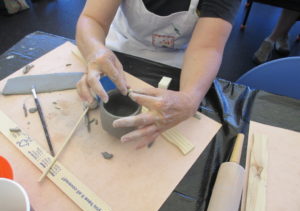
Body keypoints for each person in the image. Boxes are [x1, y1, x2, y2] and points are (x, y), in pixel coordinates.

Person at [76, 0, 240, 148]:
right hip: (123, 42)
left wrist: (190, 98)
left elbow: (207, 47)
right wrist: (94, 51)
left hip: (178, 56)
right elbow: (92, 18)